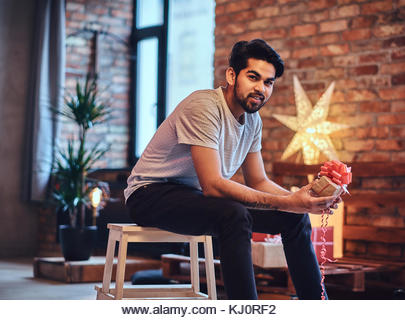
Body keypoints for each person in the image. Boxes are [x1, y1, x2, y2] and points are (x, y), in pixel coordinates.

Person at [124, 39, 341, 300]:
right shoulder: (204, 106)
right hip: (148, 194)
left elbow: (259, 181)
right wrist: (287, 201)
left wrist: (300, 201)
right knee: (234, 215)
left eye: (268, 82)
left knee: (294, 217)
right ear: (231, 75)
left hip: (191, 196)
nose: (260, 88)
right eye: (253, 77)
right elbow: (213, 185)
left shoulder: (253, 121)